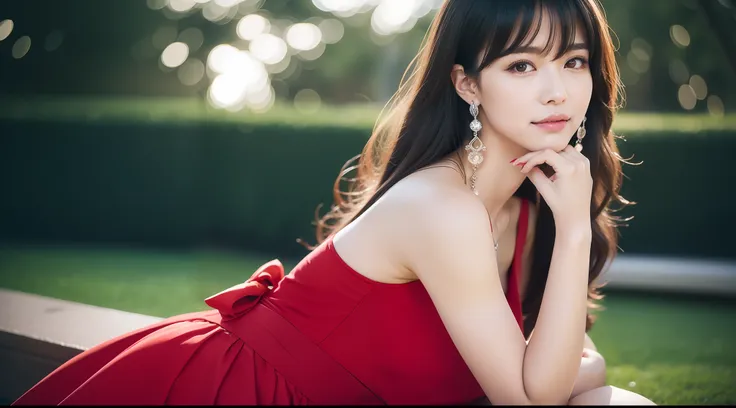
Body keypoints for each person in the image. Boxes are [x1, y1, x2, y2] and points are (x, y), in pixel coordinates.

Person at [13, 0, 656, 405]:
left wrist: (567, 228)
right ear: (467, 84)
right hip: (238, 391)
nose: (556, 91)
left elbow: (537, 380)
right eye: (521, 66)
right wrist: (576, 235)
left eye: (573, 62)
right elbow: (532, 394)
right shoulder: (442, 205)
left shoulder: (529, 204)